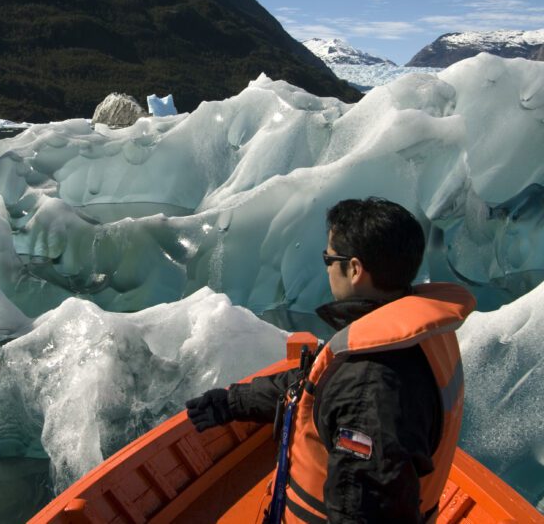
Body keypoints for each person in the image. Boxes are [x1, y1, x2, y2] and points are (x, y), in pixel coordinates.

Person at [185, 197, 476, 523]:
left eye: (328, 257)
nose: (325, 267)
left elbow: (364, 509)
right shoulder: (417, 339)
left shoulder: (367, 385)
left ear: (354, 269)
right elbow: (309, 386)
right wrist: (233, 401)